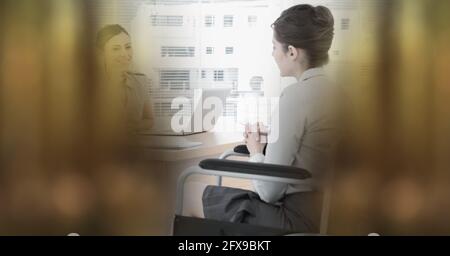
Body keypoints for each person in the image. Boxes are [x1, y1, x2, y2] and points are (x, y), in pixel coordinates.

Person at [183, 4, 342, 233]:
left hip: (295, 220)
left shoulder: (295, 96)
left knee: (188, 189)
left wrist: (256, 150)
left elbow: (268, 192)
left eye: (274, 47)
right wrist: (275, 140)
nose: (272, 54)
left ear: (292, 52)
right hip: (330, 216)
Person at [96, 24, 154, 132]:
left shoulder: (141, 82)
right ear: (102, 54)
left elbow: (149, 119)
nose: (124, 54)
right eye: (115, 49)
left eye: (128, 47)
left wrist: (132, 128)